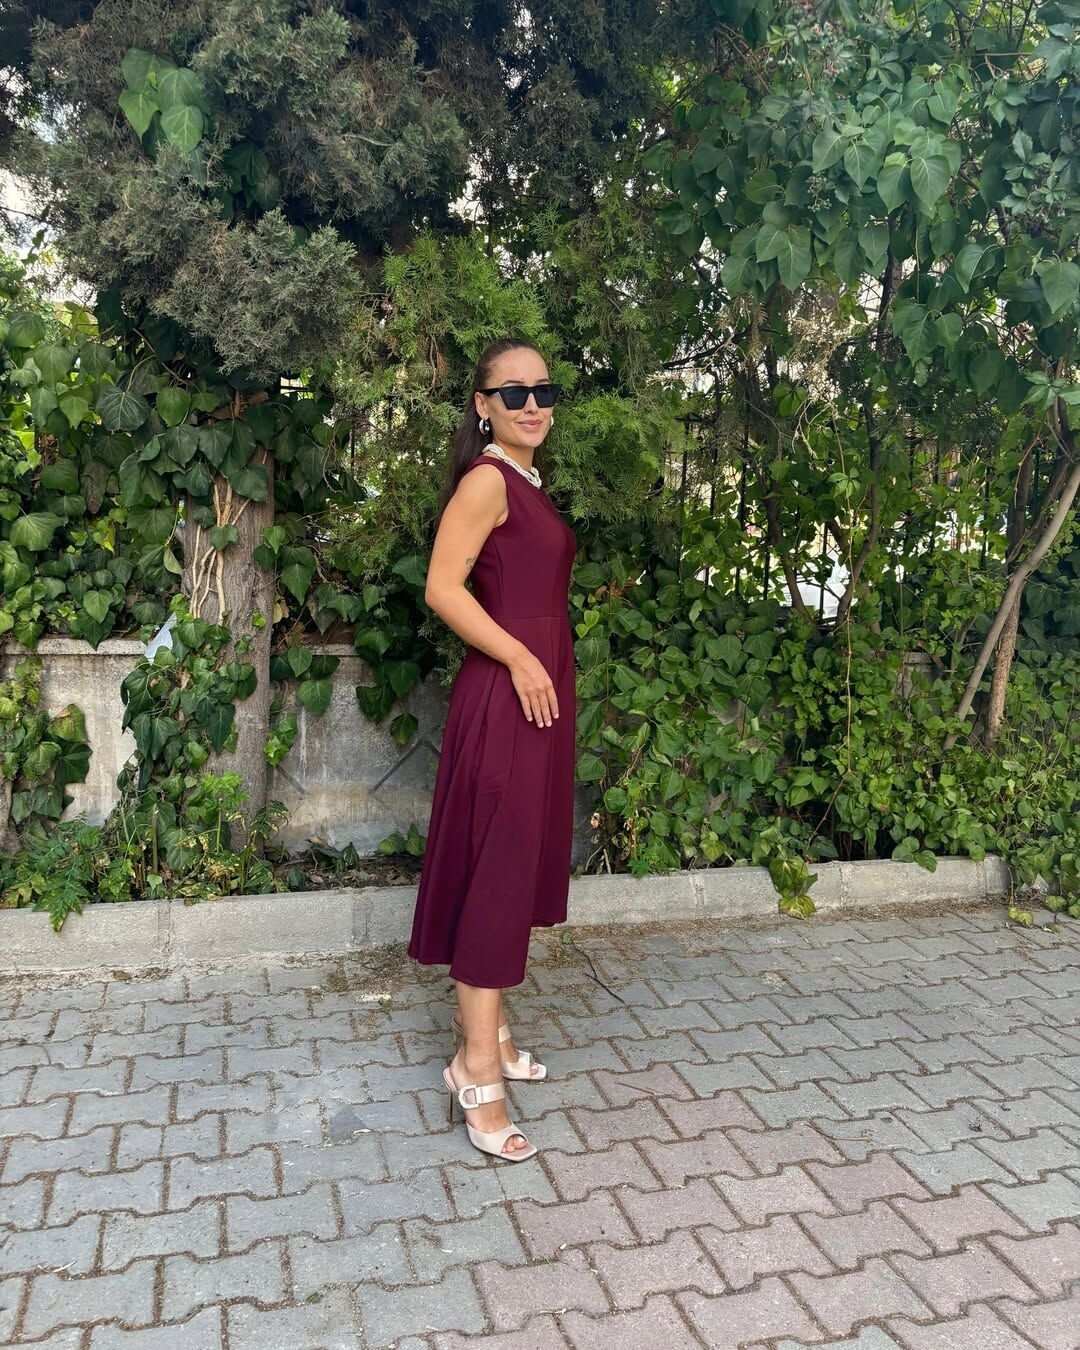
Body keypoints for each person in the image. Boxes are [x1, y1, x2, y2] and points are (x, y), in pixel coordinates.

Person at [407, 338, 577, 1162]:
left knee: (514, 863)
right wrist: (517, 656)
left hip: (537, 693)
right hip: (508, 695)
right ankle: (475, 1070)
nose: (532, 404)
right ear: (482, 406)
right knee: (497, 874)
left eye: (543, 390)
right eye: (513, 393)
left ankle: (493, 1032)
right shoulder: (486, 481)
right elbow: (442, 588)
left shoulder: (525, 482)